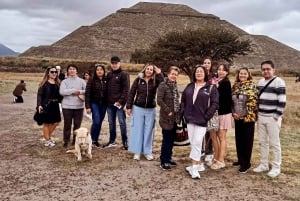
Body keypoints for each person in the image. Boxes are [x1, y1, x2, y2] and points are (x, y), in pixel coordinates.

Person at [181, 65, 219, 179]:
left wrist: (206, 116)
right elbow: (183, 100)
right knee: (193, 142)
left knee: (197, 142)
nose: (199, 73)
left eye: (201, 72)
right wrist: (184, 112)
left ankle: (193, 167)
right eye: (197, 71)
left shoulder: (211, 88)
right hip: (190, 119)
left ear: (205, 74)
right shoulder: (190, 86)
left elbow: (215, 104)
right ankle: (198, 164)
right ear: (194, 74)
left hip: (201, 120)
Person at [253, 60, 286, 178]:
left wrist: (276, 116)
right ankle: (264, 164)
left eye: (268, 69)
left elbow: (282, 101)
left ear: (273, 70)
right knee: (262, 142)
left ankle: (276, 167)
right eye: (263, 69)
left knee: (274, 143)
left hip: (272, 118)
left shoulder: (279, 82)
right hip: (261, 117)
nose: (266, 71)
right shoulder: (261, 82)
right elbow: (256, 99)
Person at [126, 64, 164, 160]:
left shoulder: (155, 80)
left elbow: (163, 85)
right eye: (148, 69)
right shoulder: (138, 80)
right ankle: (137, 152)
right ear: (144, 70)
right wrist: (129, 106)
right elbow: (132, 93)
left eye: (151, 70)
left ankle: (147, 152)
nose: (149, 71)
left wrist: (159, 74)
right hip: (138, 108)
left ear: (153, 72)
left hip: (151, 109)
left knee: (148, 131)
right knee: (138, 130)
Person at [231, 67, 258, 173]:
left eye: (244, 74)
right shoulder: (235, 86)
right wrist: (234, 113)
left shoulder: (252, 86)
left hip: (248, 118)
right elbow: (232, 102)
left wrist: (242, 114)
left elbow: (253, 104)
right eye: (241, 73)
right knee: (239, 139)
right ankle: (240, 159)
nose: (242, 75)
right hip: (237, 118)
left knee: (247, 141)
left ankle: (246, 163)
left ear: (248, 75)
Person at [103, 56, 130, 150]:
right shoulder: (109, 74)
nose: (114, 65)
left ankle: (125, 142)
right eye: (113, 63)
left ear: (119, 63)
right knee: (111, 123)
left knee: (122, 123)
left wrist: (121, 102)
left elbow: (126, 90)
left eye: (116, 63)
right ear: (111, 64)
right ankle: (112, 141)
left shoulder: (124, 74)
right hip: (109, 104)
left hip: (119, 104)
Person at [157, 66, 181, 170]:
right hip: (166, 117)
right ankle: (164, 161)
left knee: (171, 139)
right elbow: (159, 100)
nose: (174, 76)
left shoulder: (175, 86)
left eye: (176, 74)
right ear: (168, 74)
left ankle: (168, 157)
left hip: (175, 117)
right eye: (172, 74)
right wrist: (168, 110)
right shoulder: (163, 85)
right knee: (166, 139)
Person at [210, 64, 232, 170]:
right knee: (215, 136)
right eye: (219, 69)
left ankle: (221, 160)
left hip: (223, 113)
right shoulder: (216, 81)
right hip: (216, 113)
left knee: (222, 137)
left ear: (227, 72)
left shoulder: (226, 83)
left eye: (223, 70)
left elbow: (223, 100)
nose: (221, 71)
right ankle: (216, 157)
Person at [59, 64, 86, 147]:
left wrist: (80, 92)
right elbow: (62, 92)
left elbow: (86, 90)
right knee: (67, 124)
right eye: (70, 69)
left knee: (77, 125)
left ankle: (76, 141)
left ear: (76, 71)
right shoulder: (64, 81)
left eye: (74, 69)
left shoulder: (81, 81)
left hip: (79, 106)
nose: (72, 70)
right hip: (67, 106)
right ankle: (66, 141)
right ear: (68, 71)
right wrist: (73, 91)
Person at [37, 66, 62, 147]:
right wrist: (39, 105)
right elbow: (39, 95)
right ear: (48, 73)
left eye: (55, 72)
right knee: (47, 124)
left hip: (55, 105)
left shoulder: (58, 83)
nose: (54, 73)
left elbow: (61, 95)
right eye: (52, 72)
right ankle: (47, 140)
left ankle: (48, 137)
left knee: (56, 122)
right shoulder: (44, 83)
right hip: (46, 105)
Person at [85, 63, 107, 148]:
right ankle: (91, 139)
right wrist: (87, 106)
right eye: (97, 70)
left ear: (104, 71)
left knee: (100, 122)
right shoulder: (91, 80)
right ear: (95, 71)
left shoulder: (106, 80)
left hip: (104, 104)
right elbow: (87, 94)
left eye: (101, 69)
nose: (99, 71)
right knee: (96, 121)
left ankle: (95, 140)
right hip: (94, 103)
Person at [203, 57, 217, 165]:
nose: (206, 64)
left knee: (210, 131)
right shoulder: (200, 74)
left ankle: (209, 152)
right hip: (201, 106)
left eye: (208, 63)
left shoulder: (213, 76)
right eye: (205, 63)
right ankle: (203, 150)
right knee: (201, 131)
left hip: (210, 106)